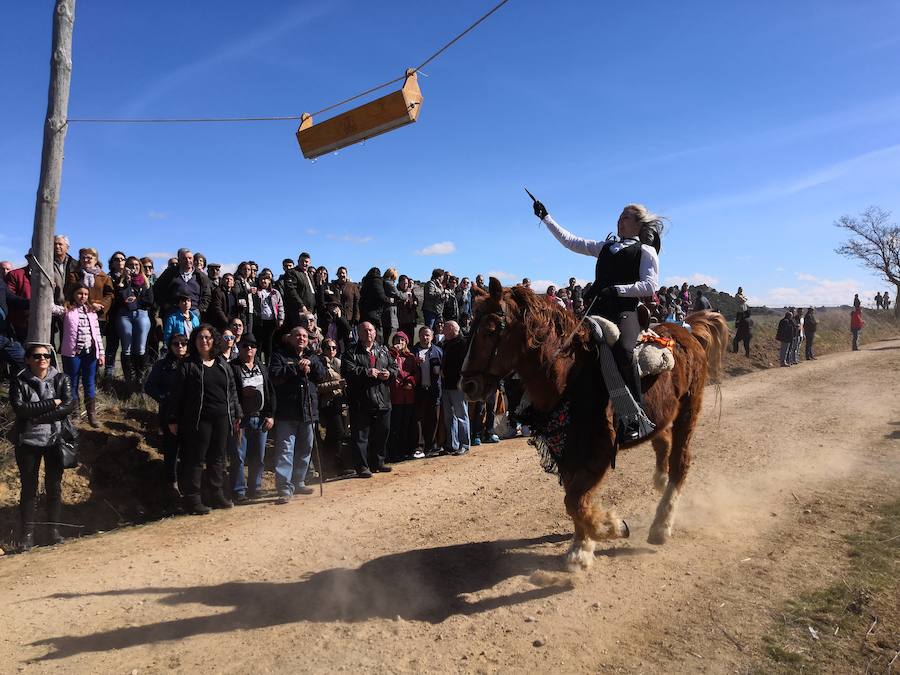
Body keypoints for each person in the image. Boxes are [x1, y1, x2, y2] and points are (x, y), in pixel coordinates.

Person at [534, 198, 662, 441]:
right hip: (596, 310)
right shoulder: (606, 247)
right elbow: (571, 242)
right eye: (619, 215)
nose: (619, 219)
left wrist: (617, 290)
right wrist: (546, 218)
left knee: (624, 351)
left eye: (625, 216)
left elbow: (650, 285)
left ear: (638, 224)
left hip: (625, 310)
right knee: (565, 347)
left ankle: (636, 416)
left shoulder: (645, 251)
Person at [169, 325, 242, 514]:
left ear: (214, 340)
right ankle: (193, 499)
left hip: (222, 418)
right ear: (195, 341)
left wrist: (236, 415)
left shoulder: (222, 364)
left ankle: (216, 494)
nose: (204, 341)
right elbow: (176, 394)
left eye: (208, 337)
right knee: (195, 459)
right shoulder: (188, 365)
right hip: (198, 420)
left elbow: (232, 392)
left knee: (218, 457)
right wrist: (173, 418)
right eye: (200, 338)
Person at [10, 343, 75, 550]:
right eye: (37, 356)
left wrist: (38, 416)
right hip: (27, 442)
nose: (42, 359)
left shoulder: (61, 378)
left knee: (53, 487)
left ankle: (53, 531)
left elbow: (68, 406)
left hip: (55, 441)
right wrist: (52, 402)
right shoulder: (19, 381)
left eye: (46, 355)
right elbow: (21, 409)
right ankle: (27, 535)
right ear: (28, 359)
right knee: (29, 489)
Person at [269, 326, 326, 502]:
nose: (302, 338)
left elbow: (322, 376)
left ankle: (299, 481)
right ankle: (284, 488)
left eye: (304, 336)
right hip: (287, 412)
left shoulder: (313, 356)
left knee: (305, 449)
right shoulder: (280, 355)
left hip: (308, 411)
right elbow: (274, 376)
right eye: (298, 336)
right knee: (285, 451)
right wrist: (296, 369)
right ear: (290, 338)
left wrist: (312, 365)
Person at [341, 321, 399, 477]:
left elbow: (394, 366)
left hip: (383, 399)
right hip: (362, 401)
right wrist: (365, 372)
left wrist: (390, 373)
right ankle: (362, 467)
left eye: (371, 330)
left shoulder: (383, 350)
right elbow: (347, 370)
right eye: (365, 330)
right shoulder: (351, 351)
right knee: (361, 437)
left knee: (382, 433)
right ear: (358, 333)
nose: (369, 333)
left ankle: (378, 463)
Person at [230, 334, 276, 503]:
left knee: (258, 457)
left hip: (261, 417)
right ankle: (239, 491)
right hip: (241, 420)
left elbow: (270, 391)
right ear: (239, 348)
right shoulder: (232, 367)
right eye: (245, 346)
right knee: (238, 457)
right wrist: (236, 416)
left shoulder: (261, 366)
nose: (249, 349)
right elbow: (231, 394)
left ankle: (255, 489)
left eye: (252, 345)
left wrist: (271, 414)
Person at [145, 332, 189, 505]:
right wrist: (165, 398)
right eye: (176, 344)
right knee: (171, 451)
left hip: (189, 414)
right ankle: (172, 486)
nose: (180, 347)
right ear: (170, 346)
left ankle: (188, 484)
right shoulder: (162, 365)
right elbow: (149, 387)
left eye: (183, 343)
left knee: (188, 451)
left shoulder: (192, 363)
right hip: (169, 414)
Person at [52, 284, 105, 427]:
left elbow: (97, 334)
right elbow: (50, 307)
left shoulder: (91, 311)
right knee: (72, 383)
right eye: (80, 293)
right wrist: (50, 287)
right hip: (72, 353)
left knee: (89, 382)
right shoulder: (67, 310)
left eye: (86, 294)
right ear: (73, 294)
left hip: (90, 353)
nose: (83, 296)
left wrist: (101, 353)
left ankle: (91, 415)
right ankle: (75, 414)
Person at [115, 256, 154, 386]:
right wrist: (126, 281)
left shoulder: (145, 281)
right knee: (127, 348)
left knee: (141, 348)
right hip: (125, 316)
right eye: (131, 265)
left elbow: (149, 301)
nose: (134, 267)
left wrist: (134, 302)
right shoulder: (122, 281)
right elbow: (120, 299)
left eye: (137, 264)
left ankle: (140, 380)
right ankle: (129, 379)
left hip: (142, 315)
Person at [316, 338, 352, 476]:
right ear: (323, 349)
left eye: (334, 348)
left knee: (335, 435)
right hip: (327, 403)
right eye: (328, 348)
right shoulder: (320, 364)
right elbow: (318, 387)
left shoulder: (339, 363)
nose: (331, 351)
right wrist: (337, 384)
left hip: (339, 401)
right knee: (337, 432)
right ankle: (334, 465)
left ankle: (330, 467)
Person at [152, 248, 210, 320]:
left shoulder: (201, 276)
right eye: (184, 258)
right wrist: (165, 305)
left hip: (194, 311)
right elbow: (157, 289)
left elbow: (207, 295)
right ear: (179, 260)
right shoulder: (169, 273)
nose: (188, 260)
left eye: (190, 258)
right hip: (173, 311)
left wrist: (200, 309)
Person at [387, 331, 418, 462]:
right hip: (395, 396)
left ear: (406, 342)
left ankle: (405, 451)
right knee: (395, 425)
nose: (400, 342)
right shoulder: (388, 354)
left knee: (407, 424)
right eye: (397, 339)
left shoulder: (411, 357)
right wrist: (394, 352)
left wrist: (411, 381)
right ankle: (394, 452)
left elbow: (416, 372)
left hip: (408, 395)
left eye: (402, 340)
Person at [440, 320, 470, 456]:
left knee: (461, 415)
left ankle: (464, 444)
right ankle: (452, 444)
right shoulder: (445, 344)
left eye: (444, 328)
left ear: (452, 328)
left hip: (458, 386)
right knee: (449, 417)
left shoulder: (463, 343)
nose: (442, 331)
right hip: (446, 385)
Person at [412, 326, 442, 458]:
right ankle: (419, 447)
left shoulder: (438, 351)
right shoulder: (413, 352)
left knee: (434, 418)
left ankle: (431, 445)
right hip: (419, 390)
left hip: (434, 390)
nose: (425, 337)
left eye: (428, 335)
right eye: (423, 335)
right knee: (418, 418)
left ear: (432, 336)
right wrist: (414, 362)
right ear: (419, 336)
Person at [252, 273, 284, 364]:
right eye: (261, 279)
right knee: (259, 341)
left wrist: (280, 319)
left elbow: (280, 306)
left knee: (269, 341)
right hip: (259, 320)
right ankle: (257, 362)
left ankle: (268, 363)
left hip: (271, 320)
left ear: (270, 281)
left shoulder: (275, 292)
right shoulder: (256, 291)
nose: (263, 281)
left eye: (266, 279)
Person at [283, 252, 316, 327]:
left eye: (306, 262)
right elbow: (291, 291)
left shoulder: (310, 275)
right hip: (299, 312)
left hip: (311, 311)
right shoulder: (291, 272)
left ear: (309, 263)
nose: (304, 263)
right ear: (298, 261)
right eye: (302, 261)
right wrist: (301, 306)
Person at [359, 266, 390, 342]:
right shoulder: (376, 281)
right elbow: (381, 296)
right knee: (375, 335)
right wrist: (389, 301)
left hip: (365, 312)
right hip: (374, 313)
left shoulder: (365, 282)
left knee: (366, 335)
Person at [381, 267, 402, 343]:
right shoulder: (389, 283)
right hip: (389, 311)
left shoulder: (382, 282)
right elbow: (399, 295)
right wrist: (407, 295)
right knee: (389, 333)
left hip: (384, 311)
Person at [396, 274, 419, 343]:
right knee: (401, 339)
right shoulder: (397, 292)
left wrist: (415, 302)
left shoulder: (410, 292)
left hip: (410, 320)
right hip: (401, 320)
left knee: (410, 340)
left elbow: (415, 301)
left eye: (406, 283)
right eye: (403, 283)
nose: (405, 285)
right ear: (399, 283)